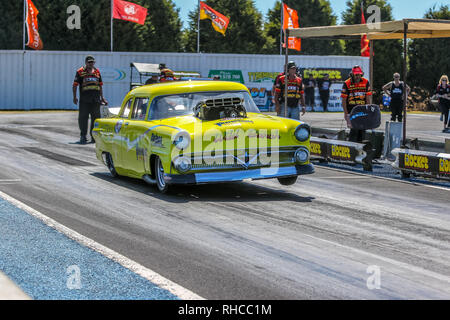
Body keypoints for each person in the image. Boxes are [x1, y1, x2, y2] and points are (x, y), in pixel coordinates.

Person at [73, 55, 107, 144]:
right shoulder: (80, 72)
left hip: (96, 100)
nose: (91, 64)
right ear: (86, 63)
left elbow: (100, 85)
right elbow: (75, 85)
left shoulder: (97, 72)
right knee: (83, 118)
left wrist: (102, 98)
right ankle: (83, 136)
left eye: (92, 62)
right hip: (85, 100)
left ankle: (94, 136)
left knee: (95, 119)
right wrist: (74, 97)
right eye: (89, 62)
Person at [341, 65, 372, 142]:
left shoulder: (366, 82)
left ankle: (360, 149)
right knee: (354, 131)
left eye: (359, 74)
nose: (358, 76)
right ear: (352, 74)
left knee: (362, 131)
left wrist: (368, 110)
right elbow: (344, 100)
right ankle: (352, 149)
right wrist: (346, 114)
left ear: (361, 74)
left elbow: (368, 98)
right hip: (351, 111)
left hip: (363, 111)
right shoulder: (347, 83)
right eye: (356, 75)